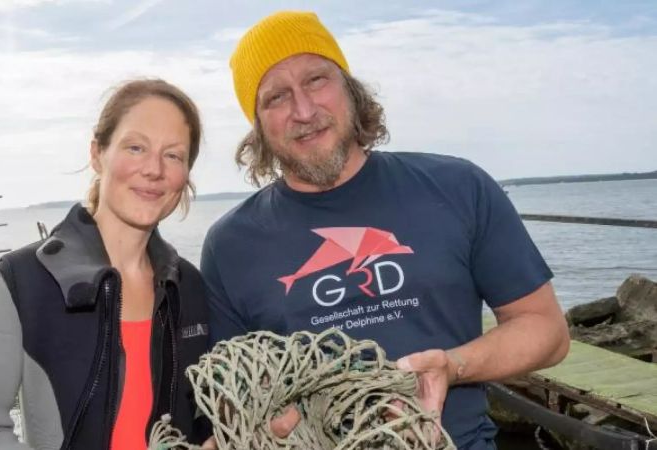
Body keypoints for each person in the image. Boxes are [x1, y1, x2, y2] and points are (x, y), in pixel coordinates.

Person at [200, 11, 570, 450]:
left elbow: (546, 330)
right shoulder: (230, 245)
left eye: (317, 80)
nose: (303, 111)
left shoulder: (458, 187)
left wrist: (452, 366)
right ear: (258, 125)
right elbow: (228, 399)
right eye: (276, 97)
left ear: (350, 89)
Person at [0, 79, 213, 450]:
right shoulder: (22, 281)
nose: (154, 169)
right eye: (136, 147)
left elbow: (204, 419)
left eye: (173, 155)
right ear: (97, 153)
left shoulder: (190, 287)